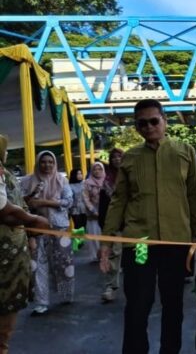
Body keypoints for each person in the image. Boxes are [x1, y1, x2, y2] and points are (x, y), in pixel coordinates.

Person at [99, 99, 196, 353]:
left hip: (176, 242)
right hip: (139, 244)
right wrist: (106, 241)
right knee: (137, 305)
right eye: (141, 123)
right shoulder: (131, 157)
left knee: (173, 305)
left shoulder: (184, 151)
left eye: (153, 121)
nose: (148, 127)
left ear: (165, 121)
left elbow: (195, 197)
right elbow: (118, 201)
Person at [0, 135, 49, 354]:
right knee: (4, 316)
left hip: (13, 254)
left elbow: (13, 207)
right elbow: (4, 210)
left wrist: (30, 232)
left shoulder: (5, 173)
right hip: (4, 260)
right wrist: (33, 221)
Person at [21, 151, 75, 316]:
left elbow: (69, 201)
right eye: (43, 162)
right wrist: (31, 199)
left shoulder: (61, 180)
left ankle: (66, 294)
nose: (47, 165)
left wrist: (46, 202)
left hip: (59, 228)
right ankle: (41, 302)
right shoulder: (27, 181)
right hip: (36, 228)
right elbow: (21, 202)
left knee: (63, 264)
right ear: (38, 163)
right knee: (38, 265)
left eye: (51, 162)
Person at [99, 148, 124, 303]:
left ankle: (142, 285)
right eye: (113, 157)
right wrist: (105, 226)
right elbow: (103, 206)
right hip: (115, 225)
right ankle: (111, 287)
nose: (116, 159)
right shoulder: (107, 182)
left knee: (141, 254)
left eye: (119, 156)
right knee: (114, 255)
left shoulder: (134, 176)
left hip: (136, 224)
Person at [82, 162, 107, 262]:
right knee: (95, 237)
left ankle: (107, 256)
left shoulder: (107, 181)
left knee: (106, 237)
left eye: (100, 169)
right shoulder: (87, 183)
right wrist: (93, 210)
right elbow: (85, 198)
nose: (97, 171)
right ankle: (97, 256)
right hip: (93, 214)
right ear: (91, 171)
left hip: (106, 213)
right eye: (95, 169)